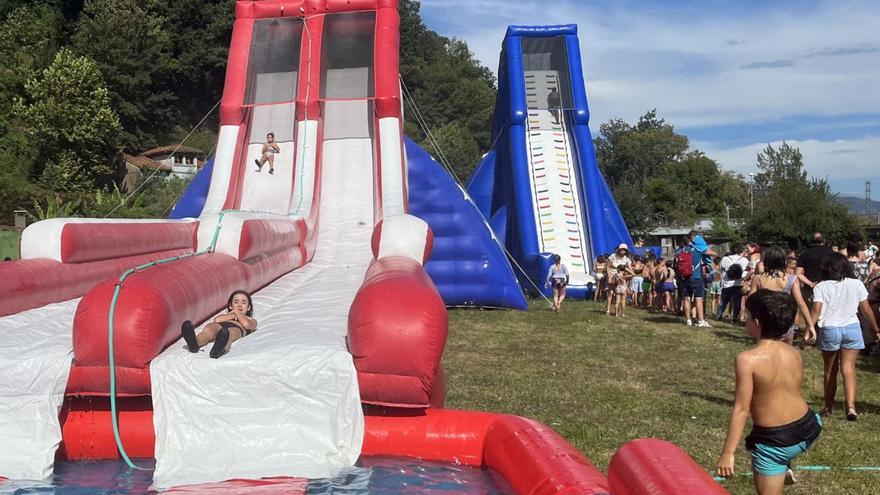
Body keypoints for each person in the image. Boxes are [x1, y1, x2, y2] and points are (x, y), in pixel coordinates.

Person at [717, 290, 822, 494]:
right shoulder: (794, 352)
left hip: (775, 443)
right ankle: (783, 467)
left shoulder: (747, 360)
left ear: (756, 322)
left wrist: (728, 453)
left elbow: (741, 409)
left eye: (747, 316)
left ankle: (780, 466)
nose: (746, 319)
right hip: (810, 426)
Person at [810, 253, 880, 420]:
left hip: (830, 328)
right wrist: (875, 328)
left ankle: (828, 408)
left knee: (830, 371)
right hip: (852, 327)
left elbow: (817, 310)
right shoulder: (856, 284)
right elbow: (866, 309)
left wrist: (810, 329)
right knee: (849, 369)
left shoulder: (821, 286)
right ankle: (851, 407)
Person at [747, 247, 816, 346]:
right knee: (786, 354)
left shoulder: (758, 279)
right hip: (785, 321)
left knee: (764, 352)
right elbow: (801, 303)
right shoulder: (791, 279)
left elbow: (750, 301)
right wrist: (810, 325)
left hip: (764, 322)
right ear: (784, 261)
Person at [180, 290, 258, 358]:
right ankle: (196, 342)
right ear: (230, 306)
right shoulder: (227, 316)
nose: (239, 305)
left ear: (248, 308)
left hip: (237, 328)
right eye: (236, 302)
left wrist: (237, 312)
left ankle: (219, 349)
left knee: (230, 333)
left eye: (243, 302)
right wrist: (233, 315)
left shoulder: (251, 320)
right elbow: (217, 320)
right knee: (210, 328)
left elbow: (246, 324)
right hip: (220, 326)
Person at [675, 233, 716, 327]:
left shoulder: (680, 252)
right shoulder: (697, 250)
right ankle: (701, 320)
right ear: (691, 240)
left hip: (685, 277)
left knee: (686, 298)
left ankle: (688, 320)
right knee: (698, 299)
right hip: (697, 276)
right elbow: (714, 254)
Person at [796, 232, 834, 302]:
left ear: (811, 241)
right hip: (829, 287)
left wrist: (811, 283)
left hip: (810, 289)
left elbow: (798, 273)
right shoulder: (832, 253)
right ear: (824, 240)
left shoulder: (805, 254)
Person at [605, 244, 634, 314]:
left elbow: (631, 271)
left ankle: (620, 312)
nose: (623, 250)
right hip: (612, 276)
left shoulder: (627, 259)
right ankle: (608, 309)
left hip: (620, 279)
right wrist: (609, 276)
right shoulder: (613, 256)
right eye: (621, 249)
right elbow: (607, 267)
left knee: (620, 296)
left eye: (624, 249)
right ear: (619, 249)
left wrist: (625, 275)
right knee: (610, 293)